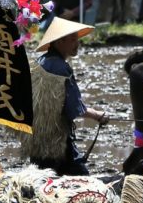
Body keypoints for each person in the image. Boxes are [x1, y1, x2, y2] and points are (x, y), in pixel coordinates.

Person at [32, 17, 110, 176]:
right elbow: (74, 108)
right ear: (59, 42)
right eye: (73, 39)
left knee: (43, 183)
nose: (78, 43)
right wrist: (97, 115)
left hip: (36, 141)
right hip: (57, 144)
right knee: (83, 183)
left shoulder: (39, 63)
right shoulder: (61, 69)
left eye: (77, 38)